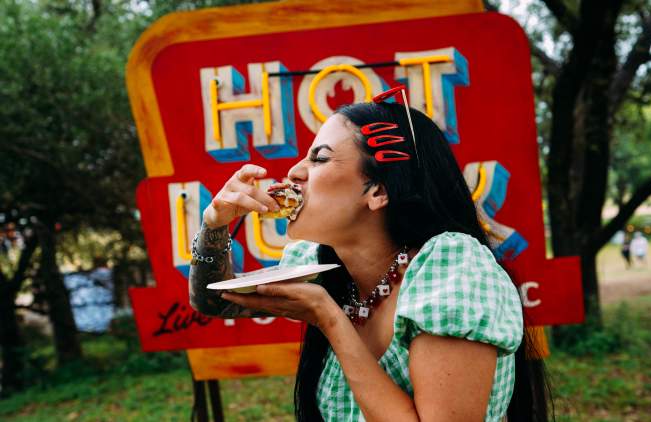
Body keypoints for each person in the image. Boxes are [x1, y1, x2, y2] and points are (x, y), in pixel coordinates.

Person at [189, 90, 550, 421]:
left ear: (377, 192)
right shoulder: (323, 266)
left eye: (319, 158)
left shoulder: (451, 268)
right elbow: (215, 301)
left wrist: (330, 320)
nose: (295, 172)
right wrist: (214, 223)